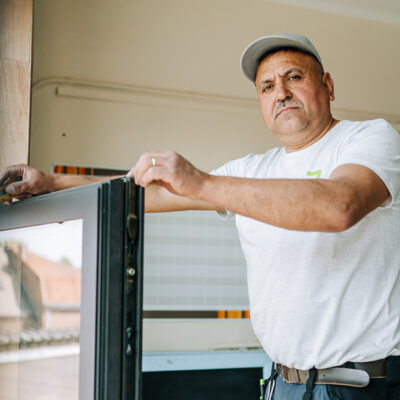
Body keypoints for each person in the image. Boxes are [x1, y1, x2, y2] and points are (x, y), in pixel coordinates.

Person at [1, 34, 399, 399]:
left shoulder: (368, 139)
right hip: (284, 384)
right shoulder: (251, 169)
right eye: (267, 86)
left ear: (327, 85)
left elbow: (338, 205)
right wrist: (51, 183)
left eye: (293, 77)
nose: (281, 93)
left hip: (363, 384)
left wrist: (201, 182)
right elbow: (151, 192)